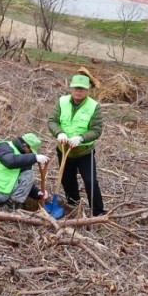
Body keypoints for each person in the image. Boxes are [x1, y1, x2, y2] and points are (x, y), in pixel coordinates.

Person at [47, 74, 105, 216]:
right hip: (64, 149)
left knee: (91, 182)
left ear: (87, 90)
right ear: (71, 88)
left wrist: (81, 138)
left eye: (82, 89)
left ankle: (98, 213)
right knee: (67, 180)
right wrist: (59, 133)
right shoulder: (62, 101)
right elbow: (52, 121)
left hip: (84, 152)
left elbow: (96, 130)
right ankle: (73, 205)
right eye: (76, 88)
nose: (78, 91)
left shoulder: (93, 106)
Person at [0, 133, 49, 211]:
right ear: (24, 145)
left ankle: (10, 204)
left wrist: (37, 193)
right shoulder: (3, 147)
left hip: (4, 191)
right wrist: (34, 157)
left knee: (27, 174)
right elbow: (10, 162)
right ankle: (10, 206)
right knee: (29, 174)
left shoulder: (24, 157)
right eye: (30, 151)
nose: (30, 153)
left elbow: (23, 180)